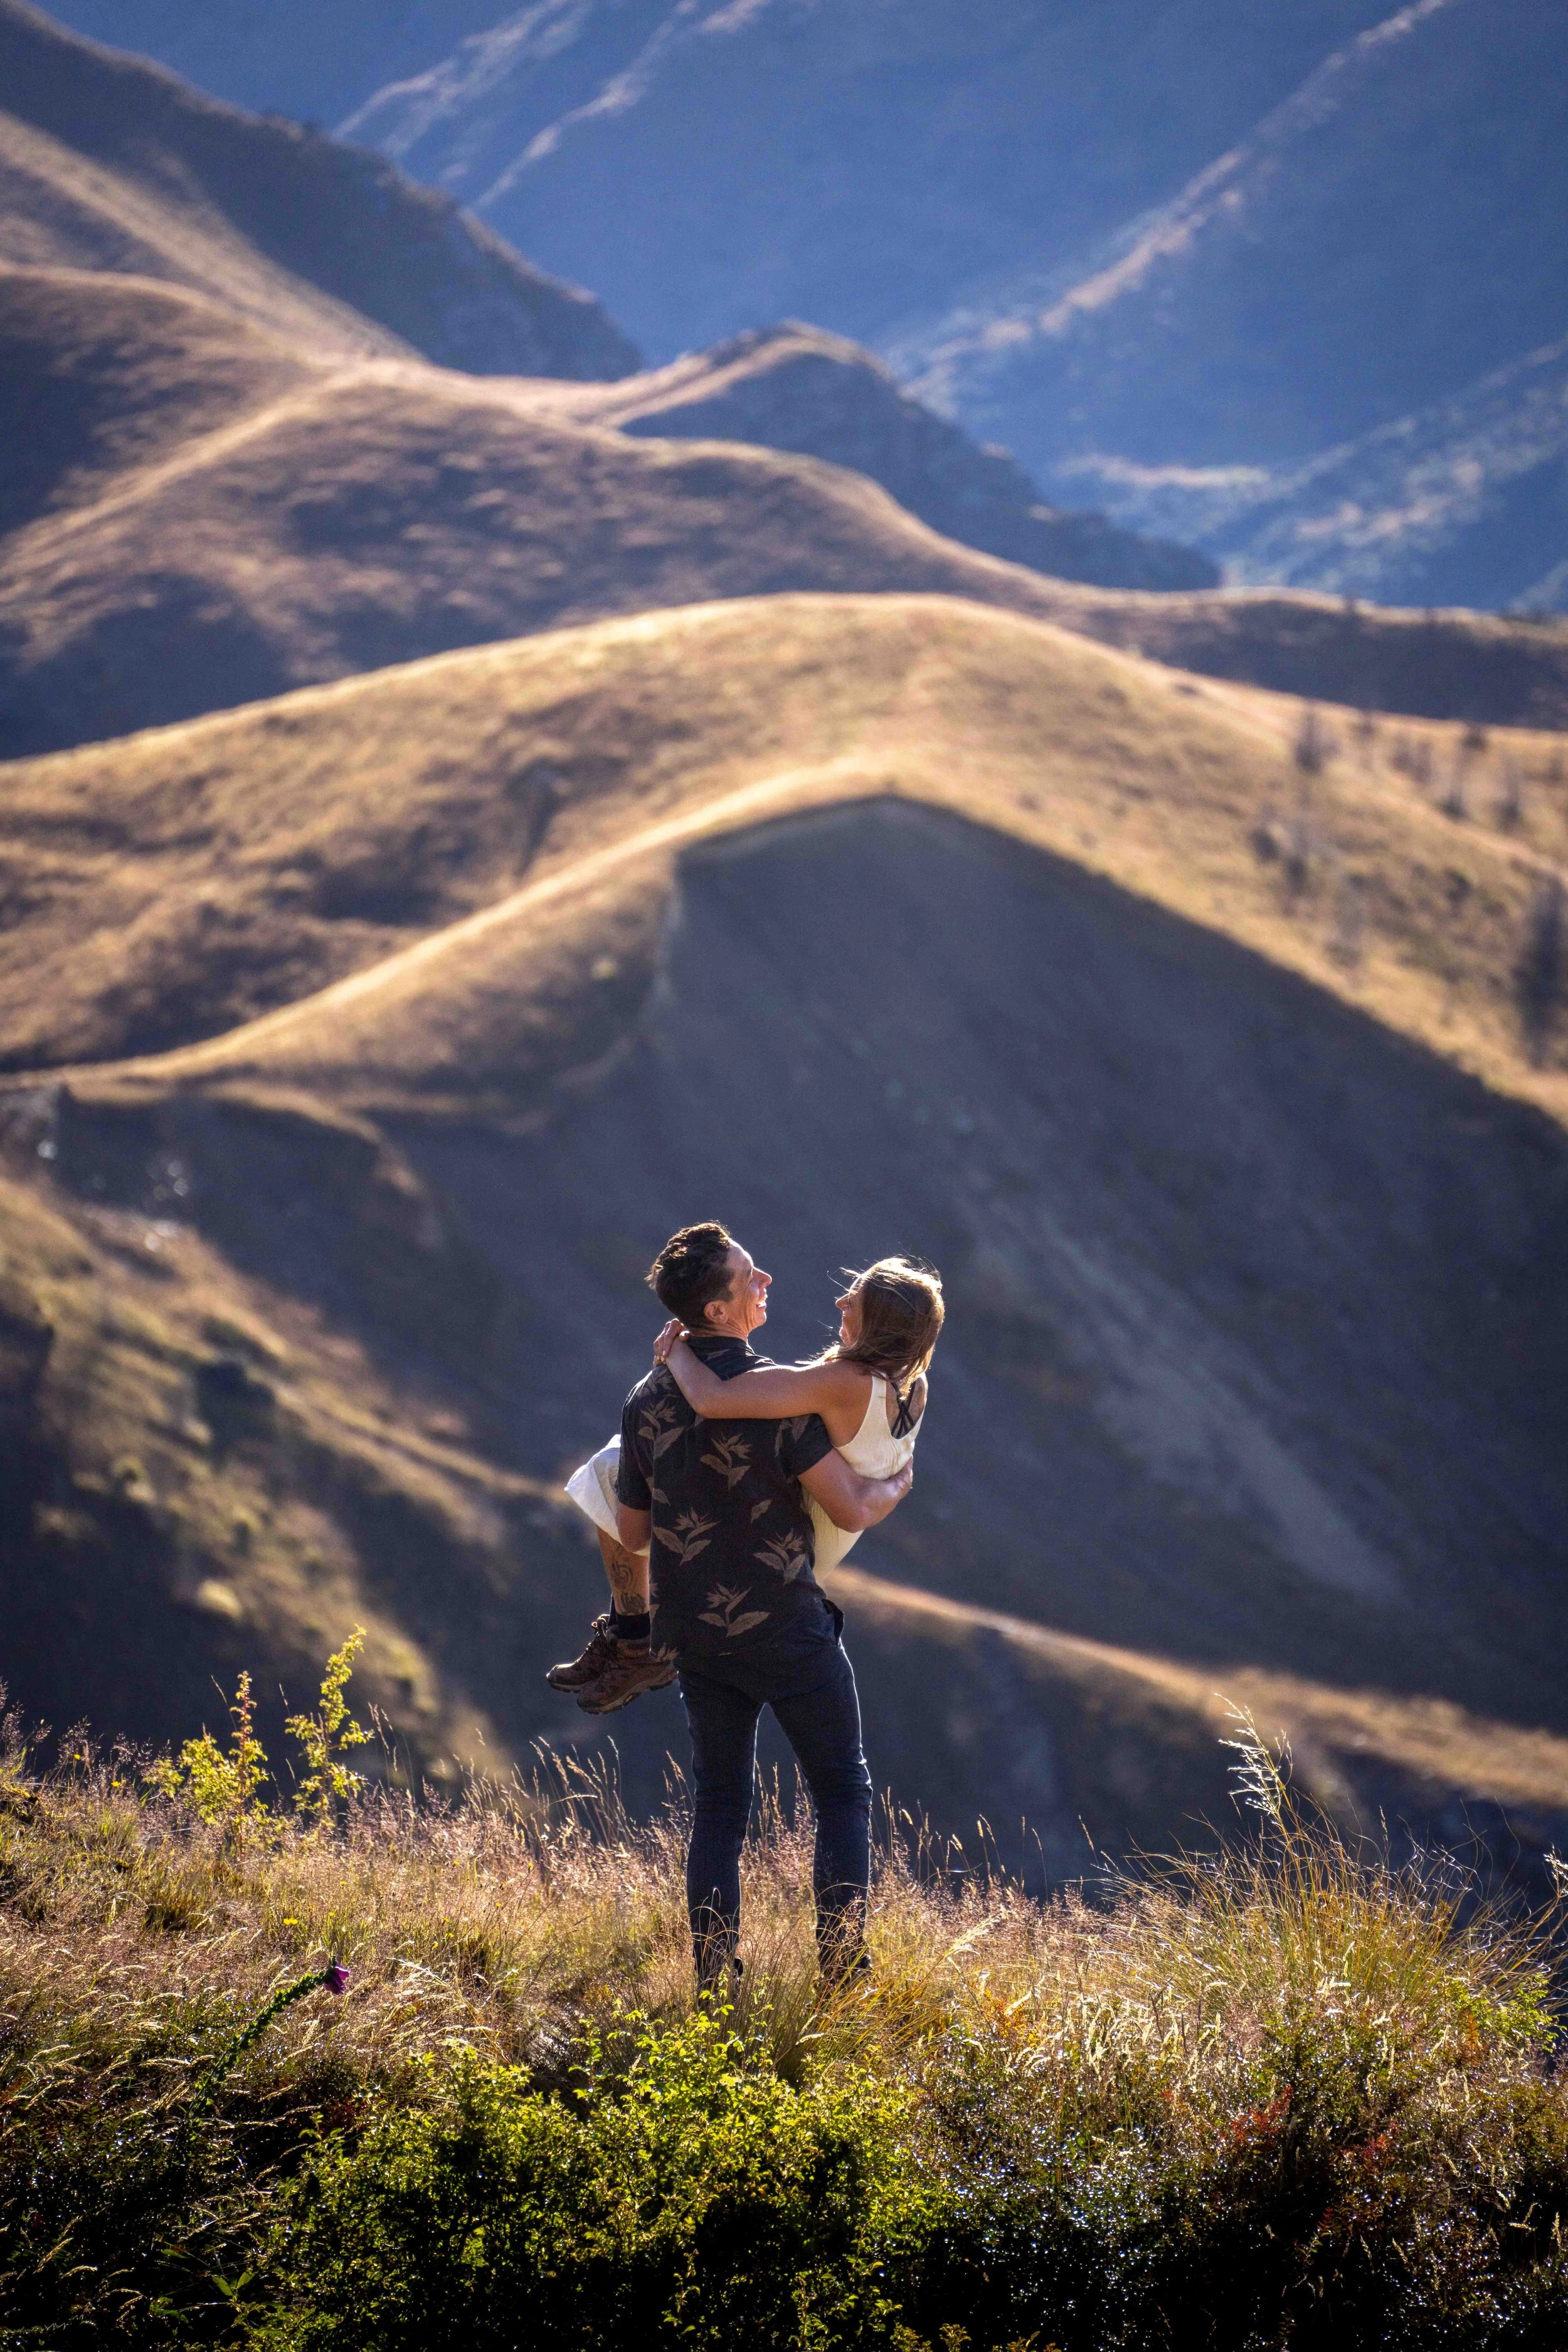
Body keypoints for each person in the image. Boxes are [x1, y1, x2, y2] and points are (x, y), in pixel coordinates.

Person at [551, 1221, 916, 1986]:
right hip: (784, 1624)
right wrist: (893, 1484)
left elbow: (632, 1531)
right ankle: (843, 1975)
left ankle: (717, 1983)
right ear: (717, 1312)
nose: (767, 1282)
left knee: (719, 1807)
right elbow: (845, 1506)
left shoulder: (645, 1399)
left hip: (694, 1633)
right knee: (842, 1793)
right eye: (750, 1277)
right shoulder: (786, 1402)